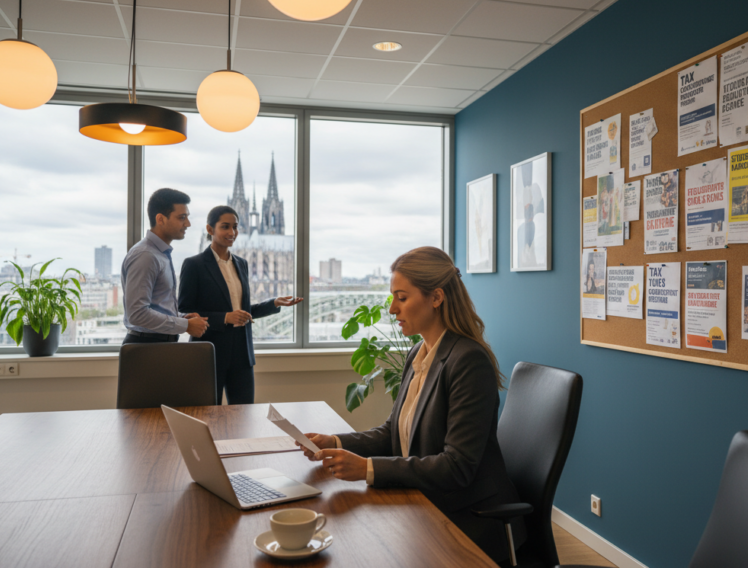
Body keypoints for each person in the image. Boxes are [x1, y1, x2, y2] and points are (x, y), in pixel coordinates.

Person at [296, 246, 526, 563]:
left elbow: (455, 467)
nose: (392, 309)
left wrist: (366, 469)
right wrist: (334, 442)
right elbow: (394, 432)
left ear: (436, 297)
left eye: (402, 298)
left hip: (465, 519)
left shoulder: (468, 361)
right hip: (423, 504)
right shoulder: (418, 352)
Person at [178, 206, 302, 405]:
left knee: (244, 419)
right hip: (210, 355)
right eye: (225, 227)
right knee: (208, 417)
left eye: (235, 227)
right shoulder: (194, 264)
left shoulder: (241, 263)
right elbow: (184, 311)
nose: (231, 232)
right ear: (210, 230)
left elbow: (242, 311)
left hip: (242, 356)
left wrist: (274, 303)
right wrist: (225, 318)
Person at [121, 188, 208, 344]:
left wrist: (180, 317)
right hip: (146, 347)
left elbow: (156, 306)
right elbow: (137, 313)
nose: (187, 224)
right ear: (160, 219)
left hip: (156, 344)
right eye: (182, 218)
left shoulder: (160, 254)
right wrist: (185, 325)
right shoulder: (146, 255)